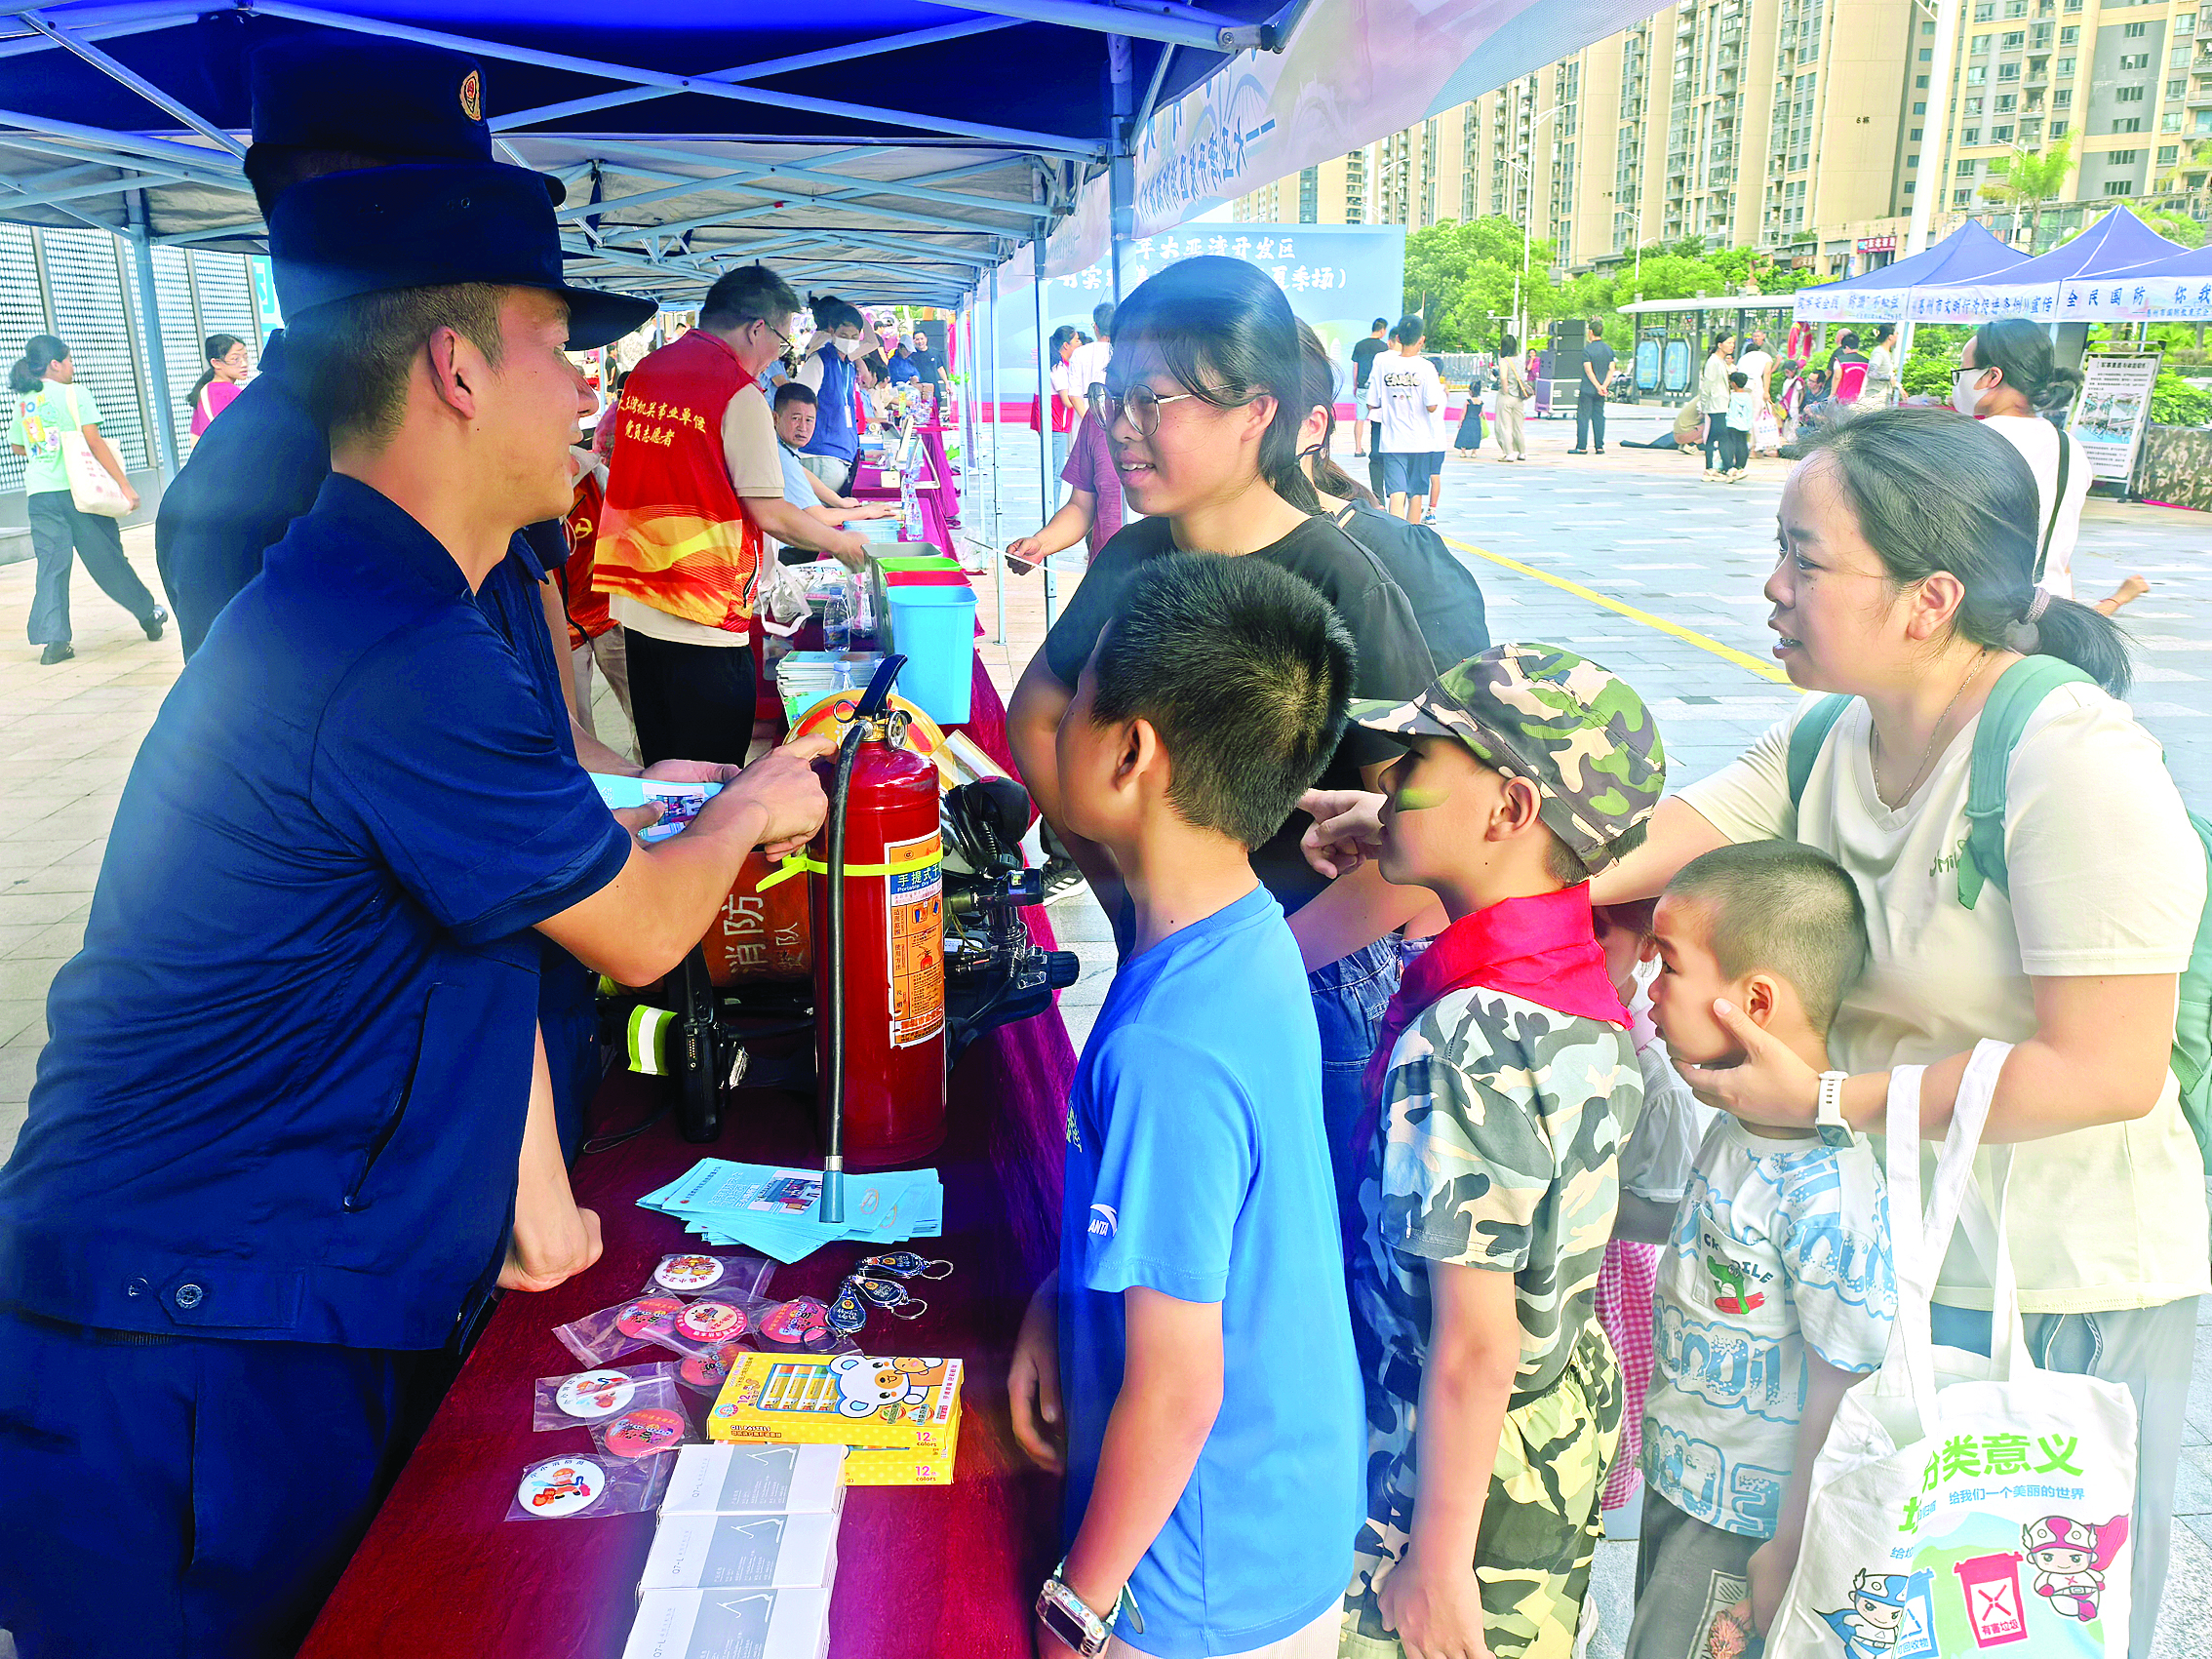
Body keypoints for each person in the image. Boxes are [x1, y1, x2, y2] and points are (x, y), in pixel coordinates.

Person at [0, 157, 835, 1659]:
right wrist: (756, 807)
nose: (587, 391)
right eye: (557, 351)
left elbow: (481, 920)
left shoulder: (405, 604)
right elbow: (643, 933)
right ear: (455, 367)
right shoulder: (389, 639)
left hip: (257, 1297)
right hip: (186, 1341)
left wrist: (533, 1203)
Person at [1591, 409, 2204, 1659]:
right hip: (1854, 1266)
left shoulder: (2073, 762)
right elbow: (1616, 852)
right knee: (1788, 1605)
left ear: (1929, 599)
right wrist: (1412, 838)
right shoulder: (1825, 739)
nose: (1772, 585)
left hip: (2045, 1287)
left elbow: (2106, 1068)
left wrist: (1820, 1103)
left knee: (1992, 1619)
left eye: (1805, 561)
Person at [1005, 257, 1434, 1220]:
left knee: (1285, 1239)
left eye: (1156, 401)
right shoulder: (1134, 557)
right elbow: (1033, 716)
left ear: (1257, 412)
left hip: (1312, 998)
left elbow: (1427, 828)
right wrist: (1124, 883)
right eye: (1113, 397)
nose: (1122, 428)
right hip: (1171, 966)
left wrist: (1265, 961)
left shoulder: (1343, 581)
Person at [1007, 553, 1363, 1659]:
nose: (1052, 728)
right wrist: (1062, 1295)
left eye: (1077, 705)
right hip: (1280, 1515)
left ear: (1129, 752)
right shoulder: (1244, 934)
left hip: (1196, 1582)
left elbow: (1178, 1390)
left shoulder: (1170, 1044)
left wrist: (1083, 1604)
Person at [1337, 644, 1663, 1659]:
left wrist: (1434, 1562)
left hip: (1442, 1483)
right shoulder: (1568, 978)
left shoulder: (1471, 1034)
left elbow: (1473, 1341)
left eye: (1417, 761)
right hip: (1530, 1451)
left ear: (1511, 810)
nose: (1385, 781)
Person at [1619, 842, 1895, 1659]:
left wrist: (1790, 1544)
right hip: (1682, 1481)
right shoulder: (1736, 1126)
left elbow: (1844, 1383)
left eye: (1668, 966)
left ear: (1755, 1000)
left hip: (1744, 1527)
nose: (1650, 989)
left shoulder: (1827, 1192)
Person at [595, 264, 870, 768]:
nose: (778, 358)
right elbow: (770, 512)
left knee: (664, 760)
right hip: (700, 608)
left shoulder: (649, 373)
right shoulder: (738, 392)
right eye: (783, 342)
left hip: (635, 595)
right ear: (756, 328)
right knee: (711, 767)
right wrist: (843, 544)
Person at [1954, 317, 2146, 614]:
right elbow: (2060, 549)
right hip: (2049, 609)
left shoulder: (1969, 440)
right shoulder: (2070, 448)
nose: (1958, 381)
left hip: (1976, 610)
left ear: (1992, 377)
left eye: (1962, 371)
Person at [6, 332, 166, 665]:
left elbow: (19, 446)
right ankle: (149, 614)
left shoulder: (25, 401)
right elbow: (94, 442)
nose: (72, 366)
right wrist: (124, 485)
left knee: (51, 566)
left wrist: (47, 450)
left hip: (40, 494)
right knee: (107, 560)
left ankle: (55, 643)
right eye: (70, 360)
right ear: (54, 364)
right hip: (80, 493)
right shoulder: (73, 394)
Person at [553, 440, 634, 748]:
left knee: (640, 706)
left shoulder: (595, 477)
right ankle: (594, 788)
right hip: (561, 627)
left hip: (609, 613)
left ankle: (656, 775)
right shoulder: (521, 487)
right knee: (577, 722)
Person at [1005, 380, 1126, 575]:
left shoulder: (1185, 421)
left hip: (1172, 586)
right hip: (1107, 579)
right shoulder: (1098, 418)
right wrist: (1041, 543)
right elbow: (1081, 506)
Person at [770, 380, 896, 554]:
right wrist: (868, 511)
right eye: (795, 418)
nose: (803, 427)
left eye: (809, 420)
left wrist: (840, 502)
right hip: (787, 551)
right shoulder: (780, 456)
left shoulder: (781, 447)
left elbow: (802, 471)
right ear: (776, 418)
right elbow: (821, 517)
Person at [793, 293, 877, 492]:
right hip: (820, 454)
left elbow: (871, 343)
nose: (849, 341)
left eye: (855, 337)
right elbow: (800, 403)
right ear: (832, 331)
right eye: (844, 335)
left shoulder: (847, 362)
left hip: (840, 454)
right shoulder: (820, 359)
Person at [1372, 315, 1444, 524]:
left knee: (1396, 493)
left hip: (1392, 440)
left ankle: (1397, 539)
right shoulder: (1427, 368)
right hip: (1420, 442)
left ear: (1398, 338)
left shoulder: (1383, 364)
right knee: (1416, 494)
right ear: (1421, 340)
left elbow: (1372, 402)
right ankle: (1411, 539)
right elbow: (1432, 406)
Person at [185, 333, 249, 443]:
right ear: (216, 363)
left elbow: (195, 438)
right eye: (235, 359)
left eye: (245, 357)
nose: (244, 364)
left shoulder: (203, 392)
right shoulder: (233, 392)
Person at [1044, 323, 1082, 489]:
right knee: (1056, 474)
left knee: (1056, 471)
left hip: (1057, 424)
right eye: (1077, 341)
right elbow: (1067, 400)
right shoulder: (1058, 367)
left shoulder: (1060, 365)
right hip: (1056, 424)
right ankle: (1053, 510)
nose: (1079, 344)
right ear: (1066, 345)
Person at [1571, 318, 1615, 455]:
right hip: (1601, 390)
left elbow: (1588, 370)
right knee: (1599, 416)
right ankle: (1599, 446)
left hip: (1588, 389)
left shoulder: (1587, 350)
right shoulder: (1608, 350)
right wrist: (1604, 386)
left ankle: (1582, 446)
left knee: (1583, 417)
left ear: (1590, 332)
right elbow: (1611, 369)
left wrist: (1596, 385)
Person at [1067, 301, 1114, 426]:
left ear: (1096, 327)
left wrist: (1090, 424)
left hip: (1083, 423)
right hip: (1114, 425)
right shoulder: (1122, 352)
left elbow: (1074, 394)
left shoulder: (1080, 353)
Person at [1697, 331, 1736, 476]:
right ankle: (1729, 467)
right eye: (1729, 343)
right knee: (1723, 436)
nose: (1732, 346)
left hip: (1721, 404)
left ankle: (1710, 468)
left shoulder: (1721, 361)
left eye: (1733, 343)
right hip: (1715, 405)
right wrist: (1704, 405)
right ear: (1720, 345)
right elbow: (1707, 385)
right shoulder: (1713, 361)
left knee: (1714, 436)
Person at [1351, 316, 1389, 461]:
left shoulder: (1359, 345)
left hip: (1362, 385)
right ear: (1383, 330)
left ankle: (1358, 448)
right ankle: (1379, 447)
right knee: (1379, 419)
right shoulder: (1383, 347)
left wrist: (1355, 384)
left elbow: (1356, 367)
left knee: (1360, 418)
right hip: (1378, 388)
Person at [1737, 328, 1780, 456]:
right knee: (1756, 416)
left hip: (1743, 386)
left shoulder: (1743, 358)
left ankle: (1743, 446)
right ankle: (1753, 448)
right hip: (1756, 385)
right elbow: (1767, 373)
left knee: (1744, 415)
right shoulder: (1765, 356)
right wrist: (1766, 391)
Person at [1492, 333, 1529, 462]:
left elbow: (1503, 377)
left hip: (1507, 396)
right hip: (1519, 397)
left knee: (1505, 426)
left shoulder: (1504, 361)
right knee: (1518, 426)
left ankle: (1509, 453)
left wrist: (1505, 389)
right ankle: (1522, 452)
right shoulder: (1520, 359)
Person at [1716, 369, 1755, 482]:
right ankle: (1740, 467)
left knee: (1727, 445)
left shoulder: (1730, 396)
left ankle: (1729, 467)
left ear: (1733, 383)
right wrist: (1748, 424)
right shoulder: (1748, 397)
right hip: (1743, 425)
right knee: (1742, 446)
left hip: (1730, 424)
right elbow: (1749, 412)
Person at [1863, 323, 1899, 410]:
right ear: (1890, 337)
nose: (1897, 337)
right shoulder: (1879, 353)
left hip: (1884, 394)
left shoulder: (1887, 353)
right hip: (1875, 395)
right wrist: (1888, 378)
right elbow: (1871, 373)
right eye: (1896, 334)